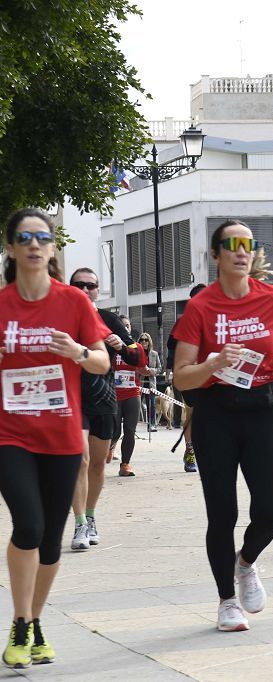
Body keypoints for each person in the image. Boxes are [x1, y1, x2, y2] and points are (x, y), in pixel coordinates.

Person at [173, 219, 273, 632]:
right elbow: (181, 376)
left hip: (261, 406)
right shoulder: (201, 307)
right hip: (215, 411)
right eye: (232, 244)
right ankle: (227, 600)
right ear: (215, 255)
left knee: (271, 509)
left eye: (247, 243)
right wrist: (212, 363)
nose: (242, 251)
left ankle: (246, 563)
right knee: (221, 513)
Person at [0, 208, 110, 667]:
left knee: (50, 540)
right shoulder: (2, 304)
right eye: (23, 237)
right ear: (10, 248)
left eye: (41, 237)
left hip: (62, 435)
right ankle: (21, 624)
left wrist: (79, 351)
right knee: (28, 524)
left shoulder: (73, 302)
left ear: (51, 248)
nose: (33, 244)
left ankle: (35, 622)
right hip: (10, 433)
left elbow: (103, 362)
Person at [67, 267, 139, 551]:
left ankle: (92, 516)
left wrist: (120, 345)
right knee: (80, 461)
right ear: (70, 287)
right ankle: (79, 523)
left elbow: (136, 356)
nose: (85, 290)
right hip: (71, 399)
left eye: (91, 286)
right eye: (79, 285)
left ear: (98, 290)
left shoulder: (108, 320)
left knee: (97, 464)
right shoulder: (63, 319)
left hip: (104, 398)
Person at [167, 283, 205, 472]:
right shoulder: (184, 321)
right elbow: (171, 347)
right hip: (190, 375)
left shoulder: (217, 319)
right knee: (193, 413)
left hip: (212, 374)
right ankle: (190, 451)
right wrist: (170, 370)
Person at [109, 315, 147, 477]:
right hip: (114, 395)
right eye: (122, 326)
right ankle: (110, 447)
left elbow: (142, 367)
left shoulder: (137, 347)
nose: (126, 329)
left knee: (130, 430)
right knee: (115, 430)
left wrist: (148, 371)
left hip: (133, 393)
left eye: (128, 326)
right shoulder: (110, 347)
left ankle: (125, 465)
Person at [137, 333, 163, 430]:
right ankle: (133, 425)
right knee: (136, 404)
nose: (144, 341)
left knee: (151, 404)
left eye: (146, 340)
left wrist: (152, 371)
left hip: (151, 382)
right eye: (142, 340)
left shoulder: (154, 354)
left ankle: (151, 424)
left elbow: (160, 368)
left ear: (149, 342)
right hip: (140, 382)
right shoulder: (137, 353)